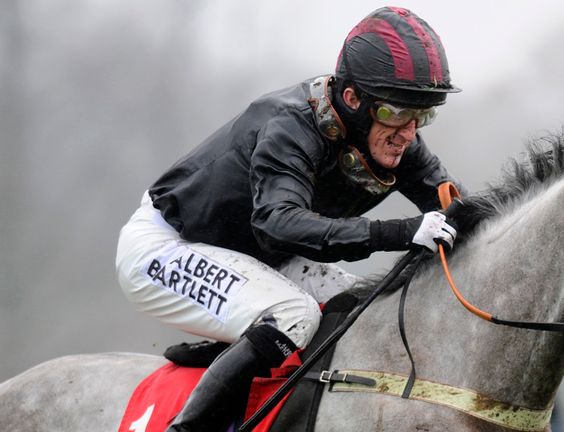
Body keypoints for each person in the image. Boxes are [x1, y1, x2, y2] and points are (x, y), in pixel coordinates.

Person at [115, 6, 465, 432]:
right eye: (395, 113)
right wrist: (397, 233)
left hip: (259, 257)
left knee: (360, 310)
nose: (409, 133)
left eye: (423, 115)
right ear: (353, 99)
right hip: (167, 246)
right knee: (293, 313)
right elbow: (278, 222)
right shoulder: (290, 127)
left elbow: (457, 207)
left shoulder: (395, 133)